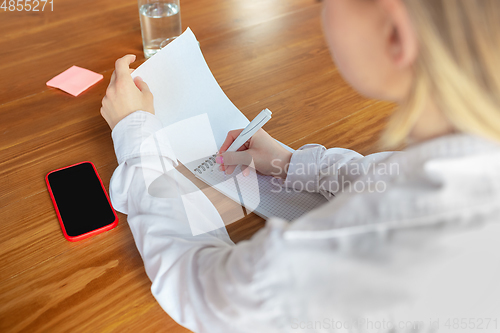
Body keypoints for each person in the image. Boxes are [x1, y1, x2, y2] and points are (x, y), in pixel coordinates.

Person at [100, 0, 500, 332]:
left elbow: (198, 286)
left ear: (395, 36)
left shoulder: (361, 245)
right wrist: (292, 163)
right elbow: (390, 175)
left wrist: (137, 136)